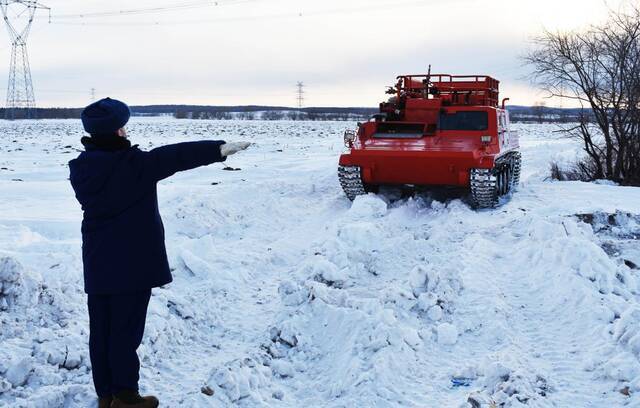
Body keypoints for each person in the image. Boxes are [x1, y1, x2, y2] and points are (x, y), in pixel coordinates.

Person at [68, 98, 250, 408]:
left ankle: (107, 394)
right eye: (122, 126)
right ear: (116, 131)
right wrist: (217, 149)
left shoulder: (82, 169)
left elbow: (170, 155)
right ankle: (125, 397)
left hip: (98, 262)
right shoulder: (134, 166)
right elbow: (176, 156)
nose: (126, 131)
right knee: (125, 333)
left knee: (102, 331)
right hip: (132, 265)